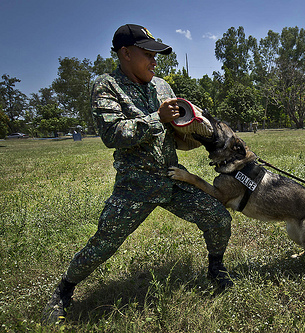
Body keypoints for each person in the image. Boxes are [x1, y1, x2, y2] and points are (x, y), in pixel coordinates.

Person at [42, 24, 233, 324]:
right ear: (126, 54)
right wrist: (157, 118)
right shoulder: (106, 86)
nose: (155, 63)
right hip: (135, 186)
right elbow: (112, 133)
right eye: (148, 55)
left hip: (173, 178)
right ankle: (63, 290)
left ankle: (216, 266)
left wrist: (194, 132)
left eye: (156, 56)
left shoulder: (163, 88)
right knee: (103, 244)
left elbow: (175, 136)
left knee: (219, 218)